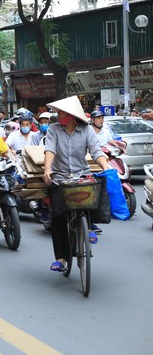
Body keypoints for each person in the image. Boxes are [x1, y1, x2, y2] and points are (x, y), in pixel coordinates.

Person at [42, 96, 108, 273]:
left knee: (98, 191)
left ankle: (90, 226)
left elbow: (96, 151)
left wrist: (106, 167)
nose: (58, 115)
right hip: (60, 178)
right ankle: (61, 257)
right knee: (57, 214)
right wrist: (47, 169)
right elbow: (50, 150)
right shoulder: (53, 129)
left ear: (71, 115)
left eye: (61, 112)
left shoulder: (87, 130)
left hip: (81, 175)